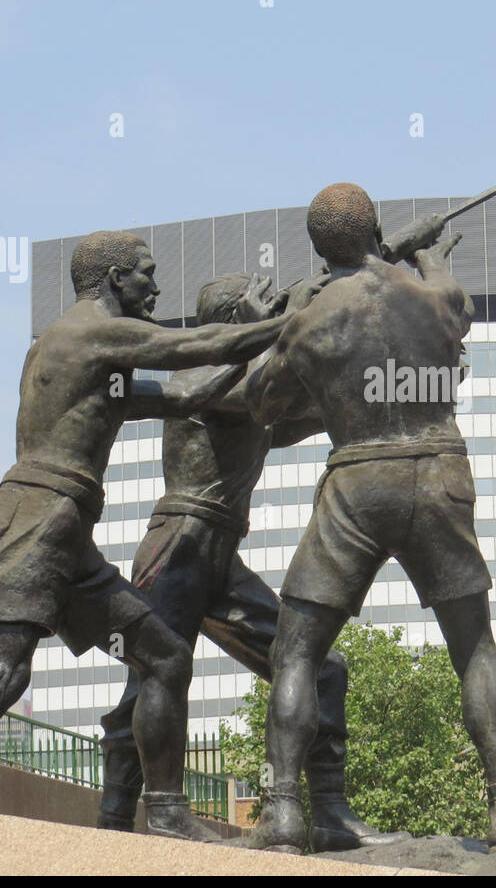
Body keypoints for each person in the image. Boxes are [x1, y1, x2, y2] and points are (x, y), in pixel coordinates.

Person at [0, 230, 287, 841]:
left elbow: (189, 391)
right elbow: (202, 343)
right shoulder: (90, 329)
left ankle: (166, 814)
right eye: (146, 273)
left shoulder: (93, 359)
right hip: (37, 516)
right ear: (116, 278)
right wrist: (281, 322)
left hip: (64, 530)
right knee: (4, 672)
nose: (156, 286)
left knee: (164, 656)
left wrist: (245, 351)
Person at [245, 184, 496, 852]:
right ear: (377, 229)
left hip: (358, 478)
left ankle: (286, 811)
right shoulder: (430, 293)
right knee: (474, 646)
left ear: (320, 250)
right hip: (438, 470)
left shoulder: (314, 315)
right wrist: (426, 255)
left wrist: (298, 308)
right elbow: (456, 305)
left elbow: (263, 403)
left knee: (296, 650)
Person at [96, 269, 405, 851]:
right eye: (256, 304)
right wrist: (292, 317)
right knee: (151, 686)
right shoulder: (207, 376)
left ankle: (329, 814)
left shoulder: (245, 389)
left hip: (217, 557)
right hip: (180, 546)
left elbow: (300, 414)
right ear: (236, 320)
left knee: (322, 668)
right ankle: (115, 820)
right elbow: (266, 388)